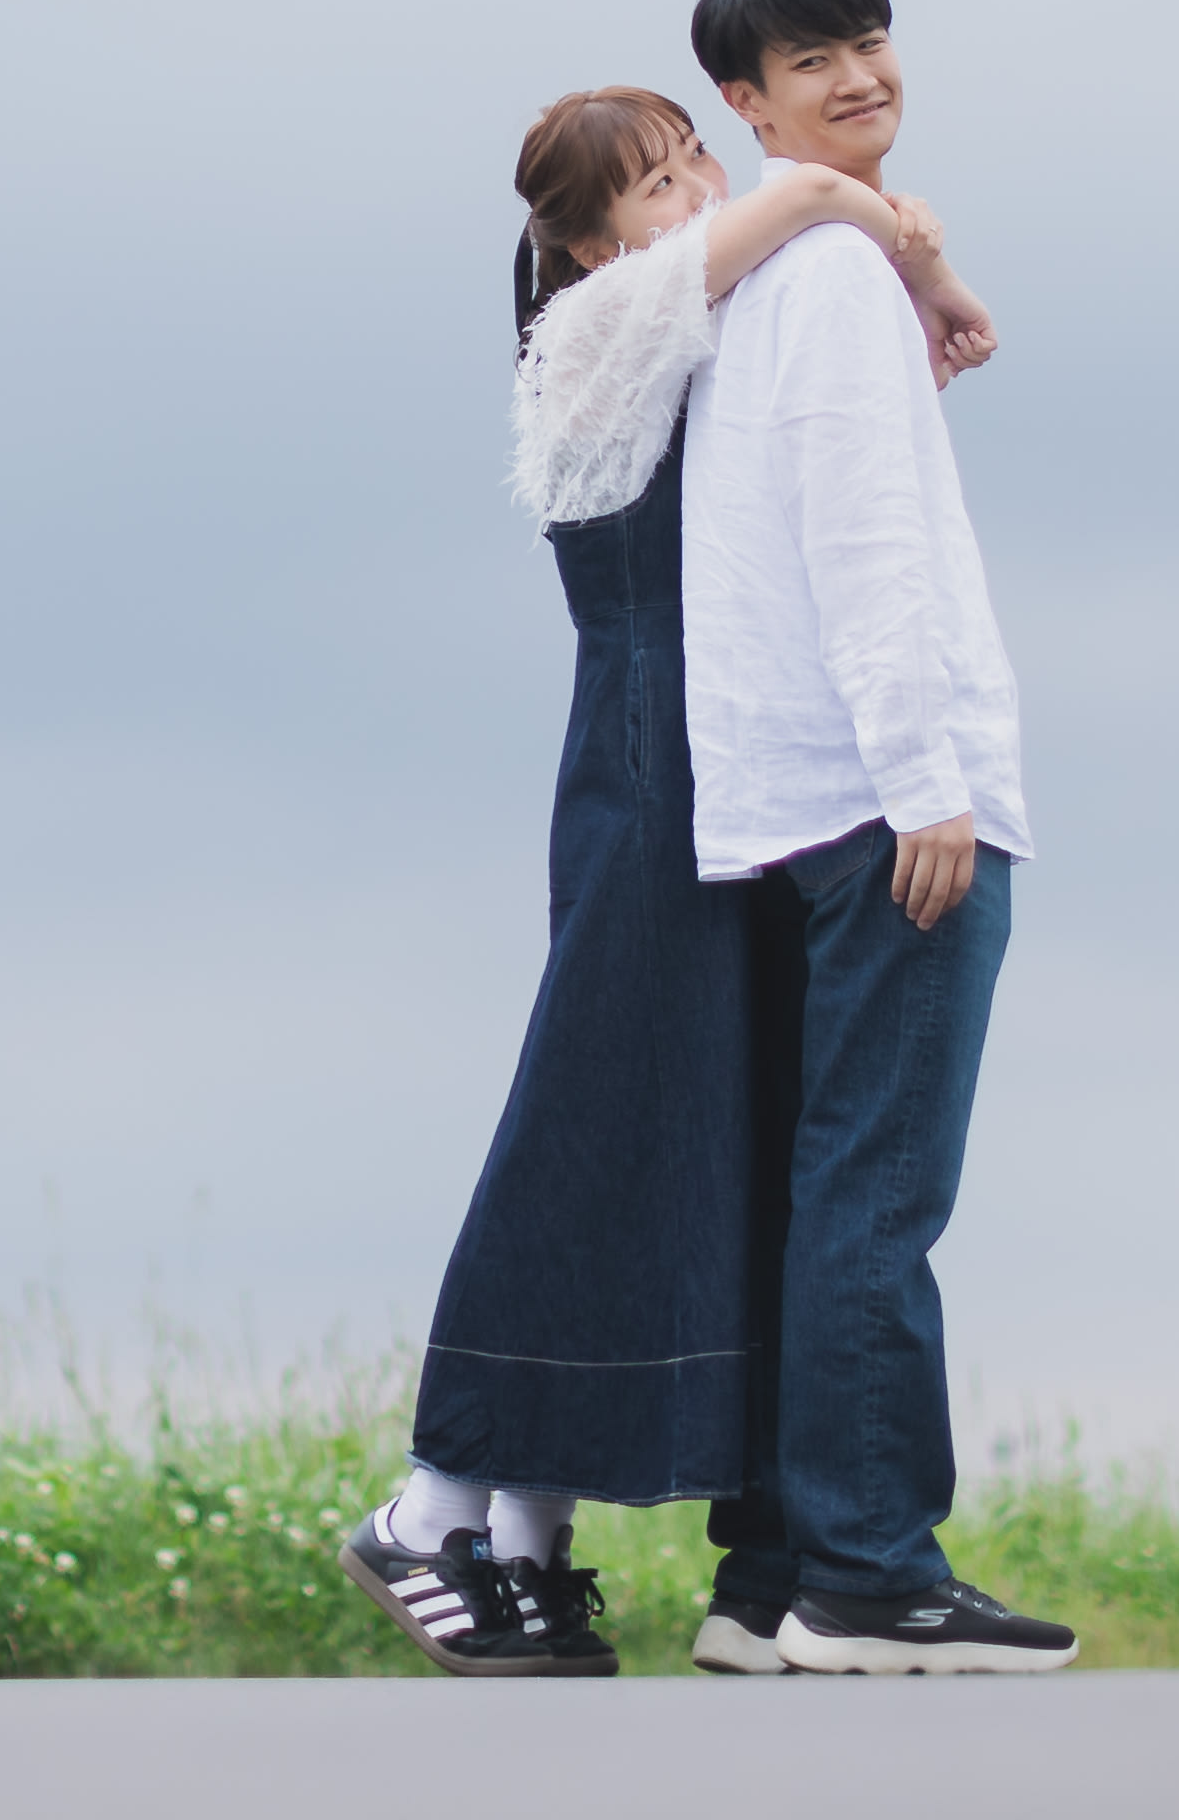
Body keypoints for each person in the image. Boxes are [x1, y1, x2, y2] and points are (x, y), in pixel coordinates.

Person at [338, 82, 992, 1676]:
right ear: (582, 242)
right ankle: (434, 1503)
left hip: (739, 764)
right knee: (592, 1122)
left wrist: (907, 266)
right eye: (653, 182)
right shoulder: (595, 324)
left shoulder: (711, 313)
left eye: (695, 156)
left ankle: (531, 1533)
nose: (697, 187)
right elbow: (801, 202)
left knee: (696, 1145)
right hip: (646, 771)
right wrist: (865, 214)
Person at [678, 0, 1074, 1673]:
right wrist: (930, 779)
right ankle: (869, 1573)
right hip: (884, 799)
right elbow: (865, 539)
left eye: (871, 39)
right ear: (747, 101)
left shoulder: (772, 273)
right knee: (878, 1196)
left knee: (812, 1189)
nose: (859, 77)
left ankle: (769, 1577)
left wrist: (916, 257)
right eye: (812, 61)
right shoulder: (829, 274)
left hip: (784, 803)